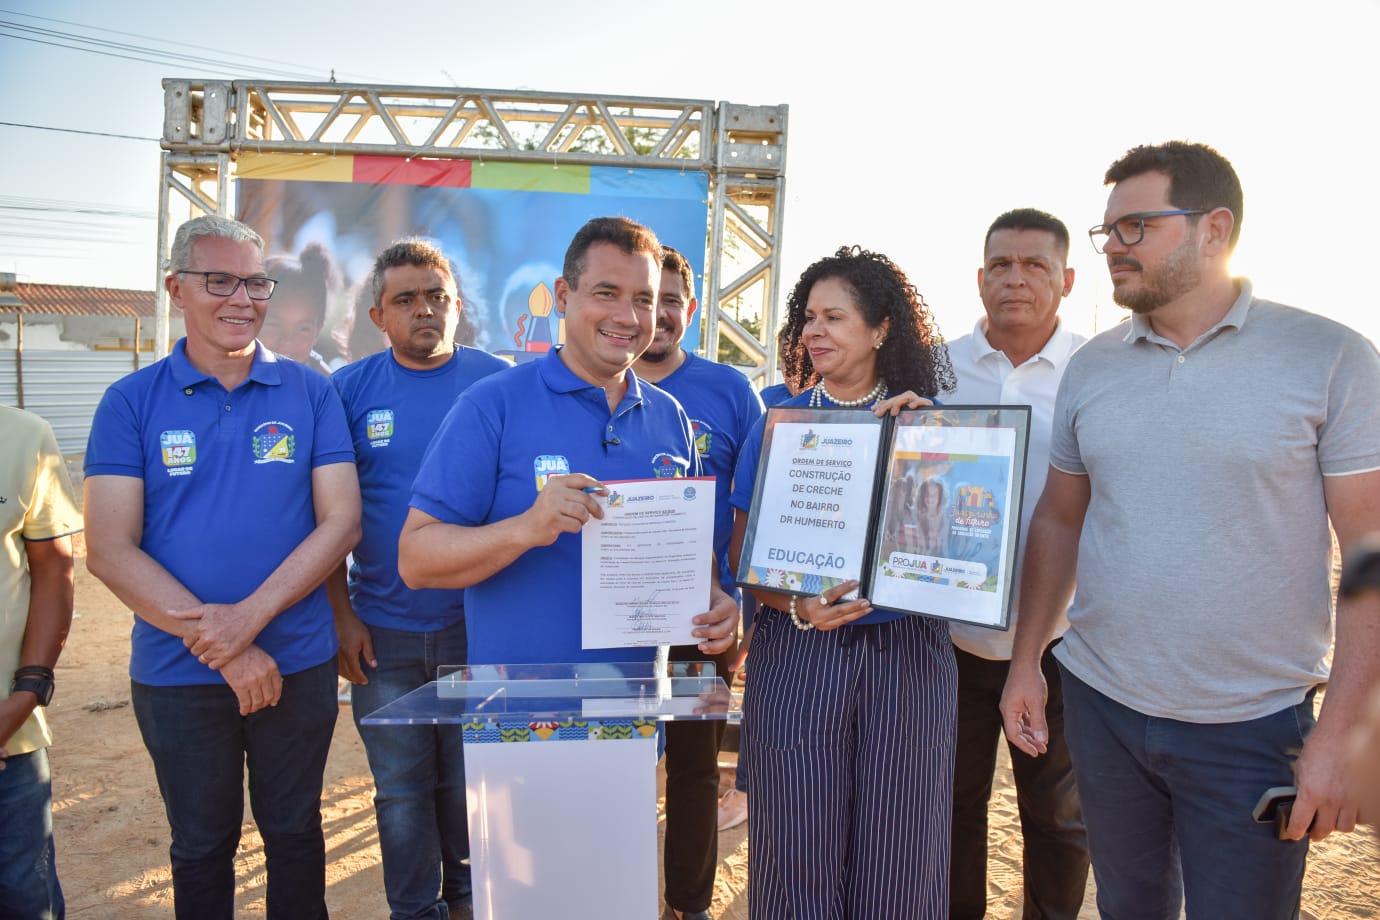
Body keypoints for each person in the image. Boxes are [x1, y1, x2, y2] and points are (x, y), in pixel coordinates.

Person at [999, 141, 1380, 919]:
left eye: (1136, 226)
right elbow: (1059, 519)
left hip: (1251, 728)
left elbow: (1371, 556)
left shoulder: (1331, 357)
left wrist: (1342, 738)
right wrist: (1027, 660)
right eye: (1107, 231)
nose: (1113, 248)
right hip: (1101, 707)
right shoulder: (1093, 367)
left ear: (1215, 229)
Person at [83, 214, 361, 920]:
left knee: (295, 833)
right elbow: (110, 550)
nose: (242, 299)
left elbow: (342, 522)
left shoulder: (309, 392)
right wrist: (226, 648)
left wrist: (248, 622)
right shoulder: (131, 401)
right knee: (202, 846)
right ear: (177, 288)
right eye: (219, 281)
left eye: (255, 282)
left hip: (296, 660)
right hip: (179, 672)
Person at [728, 245, 957, 918]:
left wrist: (933, 446)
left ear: (881, 328)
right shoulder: (779, 421)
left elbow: (959, 551)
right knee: (795, 846)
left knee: (900, 850)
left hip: (908, 659)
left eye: (835, 317)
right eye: (808, 318)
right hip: (799, 655)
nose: (814, 332)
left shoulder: (931, 422)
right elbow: (746, 556)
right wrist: (798, 605)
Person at [397, 214, 737, 665]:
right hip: (517, 717)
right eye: (606, 293)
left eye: (644, 299)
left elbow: (691, 558)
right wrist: (526, 528)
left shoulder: (671, 418)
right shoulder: (491, 405)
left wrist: (713, 599)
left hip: (635, 715)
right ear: (562, 296)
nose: (627, 316)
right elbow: (416, 560)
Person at [329, 239, 509, 920]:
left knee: (470, 785)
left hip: (479, 626)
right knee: (401, 792)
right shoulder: (346, 393)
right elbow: (326, 520)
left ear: (457, 305)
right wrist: (342, 617)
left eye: (437, 295)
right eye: (406, 299)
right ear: (379, 314)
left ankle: (467, 904)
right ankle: (413, 909)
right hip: (383, 634)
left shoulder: (498, 384)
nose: (424, 309)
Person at [946, 208, 1089, 920]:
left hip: (1063, 639)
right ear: (980, 279)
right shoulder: (936, 367)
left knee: (1059, 820)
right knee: (953, 807)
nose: (1016, 278)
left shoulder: (1097, 371)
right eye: (1001, 264)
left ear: (1066, 279)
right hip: (952, 636)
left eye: (1035, 265)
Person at [631, 245, 763, 920]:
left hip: (698, 623)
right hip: (612, 622)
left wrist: (736, 608)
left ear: (691, 306)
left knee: (693, 769)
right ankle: (614, 896)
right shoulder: (591, 385)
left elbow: (748, 514)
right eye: (648, 299)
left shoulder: (730, 392)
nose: (660, 314)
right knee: (618, 764)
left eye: (674, 300)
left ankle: (688, 905)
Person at [0, 406, 80, 919]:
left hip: (10, 734)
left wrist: (27, 695)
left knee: (26, 898)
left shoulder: (24, 436)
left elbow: (54, 569)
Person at [261, 242, 340, 375]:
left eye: (303, 328)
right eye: (274, 325)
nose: (287, 341)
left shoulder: (324, 389)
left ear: (317, 330)